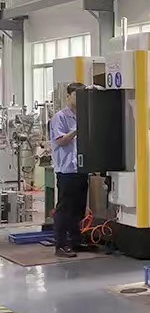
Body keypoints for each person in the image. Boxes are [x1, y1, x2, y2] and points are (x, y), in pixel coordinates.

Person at [50, 82, 90, 258]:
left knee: (78, 208)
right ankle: (60, 245)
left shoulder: (83, 115)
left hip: (81, 168)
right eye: (76, 95)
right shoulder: (60, 117)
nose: (79, 99)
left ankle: (75, 240)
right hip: (66, 170)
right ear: (68, 96)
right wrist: (77, 130)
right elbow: (60, 141)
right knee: (65, 209)